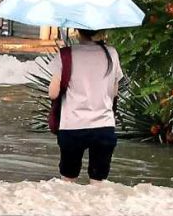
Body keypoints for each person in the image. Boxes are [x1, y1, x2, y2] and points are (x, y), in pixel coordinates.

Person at [47, 29, 123, 182]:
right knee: (98, 185)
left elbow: (53, 93)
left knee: (67, 183)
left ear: (77, 31)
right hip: (104, 126)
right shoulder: (111, 53)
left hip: (72, 127)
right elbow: (115, 92)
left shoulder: (66, 54)